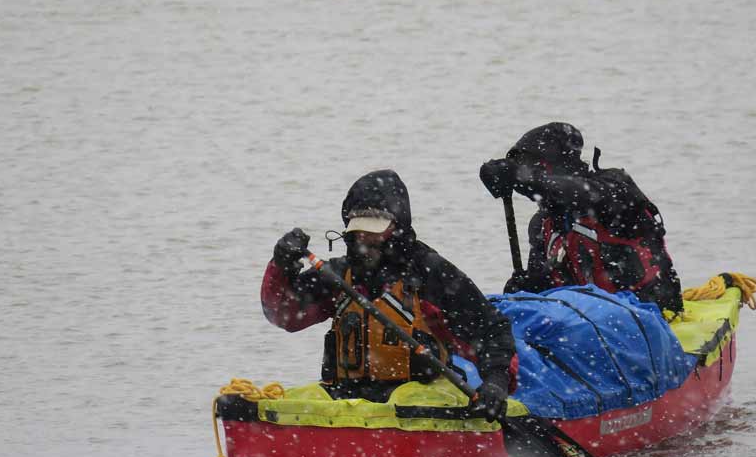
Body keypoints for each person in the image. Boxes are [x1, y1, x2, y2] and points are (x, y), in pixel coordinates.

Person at [261, 169, 514, 420]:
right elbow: (284, 315)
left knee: (406, 401)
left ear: (397, 227)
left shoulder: (430, 273)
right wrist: (282, 266)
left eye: (374, 228)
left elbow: (492, 330)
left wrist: (495, 383)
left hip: (421, 397)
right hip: (348, 396)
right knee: (300, 400)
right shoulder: (338, 275)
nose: (364, 236)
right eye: (358, 228)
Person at [479, 122, 684, 314]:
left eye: (534, 169)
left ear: (555, 165)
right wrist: (524, 289)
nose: (529, 183)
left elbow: (574, 191)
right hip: (592, 322)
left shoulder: (613, 188)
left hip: (650, 312)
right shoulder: (543, 224)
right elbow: (546, 289)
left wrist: (521, 177)